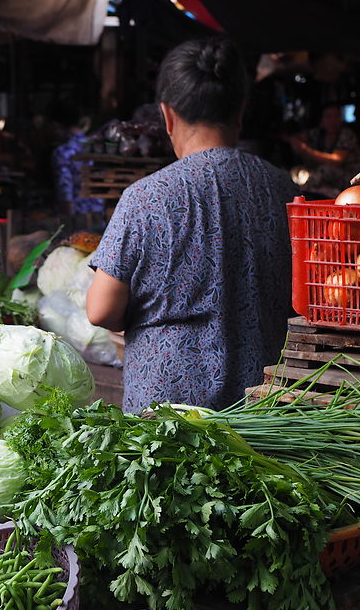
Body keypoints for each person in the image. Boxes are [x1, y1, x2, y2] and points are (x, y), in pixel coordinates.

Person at [85, 36, 296, 414]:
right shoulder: (283, 190)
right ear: (241, 110)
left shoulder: (146, 197)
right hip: (263, 411)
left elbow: (101, 310)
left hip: (167, 420)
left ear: (167, 115)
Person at [287, 103, 360, 198]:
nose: (333, 120)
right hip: (330, 181)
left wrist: (307, 151)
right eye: (329, 117)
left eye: (337, 116)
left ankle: (304, 189)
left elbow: (336, 161)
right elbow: (296, 137)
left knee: (325, 170)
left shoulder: (346, 134)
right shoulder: (318, 134)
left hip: (354, 179)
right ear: (321, 120)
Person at [51, 102, 104, 216]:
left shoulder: (63, 152)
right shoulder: (96, 147)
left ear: (56, 126)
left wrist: (68, 220)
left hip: (77, 214)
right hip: (100, 212)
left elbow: (65, 188)